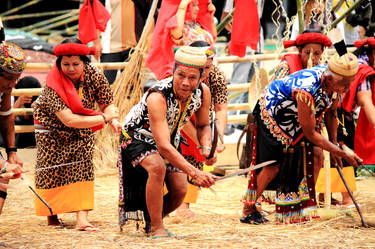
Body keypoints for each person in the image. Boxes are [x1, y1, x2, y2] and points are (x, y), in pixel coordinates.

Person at [240, 52, 362, 224]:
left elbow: (332, 113)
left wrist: (335, 145)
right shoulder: (307, 89)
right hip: (274, 114)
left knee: (318, 156)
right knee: (273, 166)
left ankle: (303, 206)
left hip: (297, 118)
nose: (346, 88)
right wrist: (341, 153)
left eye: (349, 84)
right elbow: (310, 133)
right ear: (330, 77)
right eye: (344, 84)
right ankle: (248, 209)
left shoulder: (335, 84)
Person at [118, 46, 217, 238]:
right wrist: (194, 171)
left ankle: (153, 219)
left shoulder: (203, 93)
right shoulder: (158, 96)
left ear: (201, 78)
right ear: (173, 72)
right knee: (157, 168)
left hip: (171, 137)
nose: (186, 82)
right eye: (181, 75)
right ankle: (156, 227)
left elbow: (204, 125)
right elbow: (162, 146)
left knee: (180, 190)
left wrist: (205, 147)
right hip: (137, 135)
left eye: (192, 78)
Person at [33, 38, 121, 231]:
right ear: (59, 63)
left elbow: (107, 102)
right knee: (52, 170)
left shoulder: (94, 75)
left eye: (76, 64)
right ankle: (52, 216)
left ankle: (82, 219)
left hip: (84, 125)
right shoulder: (52, 83)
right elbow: (69, 120)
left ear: (84, 63)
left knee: (83, 166)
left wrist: (113, 119)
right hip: (52, 129)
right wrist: (105, 119)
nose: (71, 68)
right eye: (66, 64)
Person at [176, 40, 227, 217]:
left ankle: (184, 206)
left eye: (209, 67)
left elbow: (221, 109)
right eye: (202, 68)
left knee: (195, 159)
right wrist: (203, 145)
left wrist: (217, 140)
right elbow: (180, 118)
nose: (205, 72)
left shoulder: (216, 76)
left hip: (202, 122)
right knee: (177, 159)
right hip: (176, 123)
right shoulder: (181, 76)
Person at [146, 0, 216, 80]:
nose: (197, 9)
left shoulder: (198, 24)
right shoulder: (178, 26)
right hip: (189, 75)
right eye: (193, 6)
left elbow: (212, 40)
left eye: (198, 5)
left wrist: (211, 17)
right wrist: (183, 5)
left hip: (207, 74)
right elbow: (177, 34)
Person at [93, 0, 153, 84]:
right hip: (109, 46)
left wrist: (148, 42)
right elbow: (95, 16)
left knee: (132, 85)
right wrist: (96, 43)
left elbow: (150, 15)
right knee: (106, 83)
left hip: (133, 46)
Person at [0, 42, 26, 214]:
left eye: (15, 79)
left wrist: (12, 152)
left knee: (3, 177)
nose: (12, 84)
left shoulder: (5, 88)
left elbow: (6, 116)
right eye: (8, 78)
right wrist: (2, 165)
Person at [13, 76, 41, 148]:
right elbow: (5, 124)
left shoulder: (40, 102)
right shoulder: (14, 99)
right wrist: (17, 105)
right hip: (18, 143)